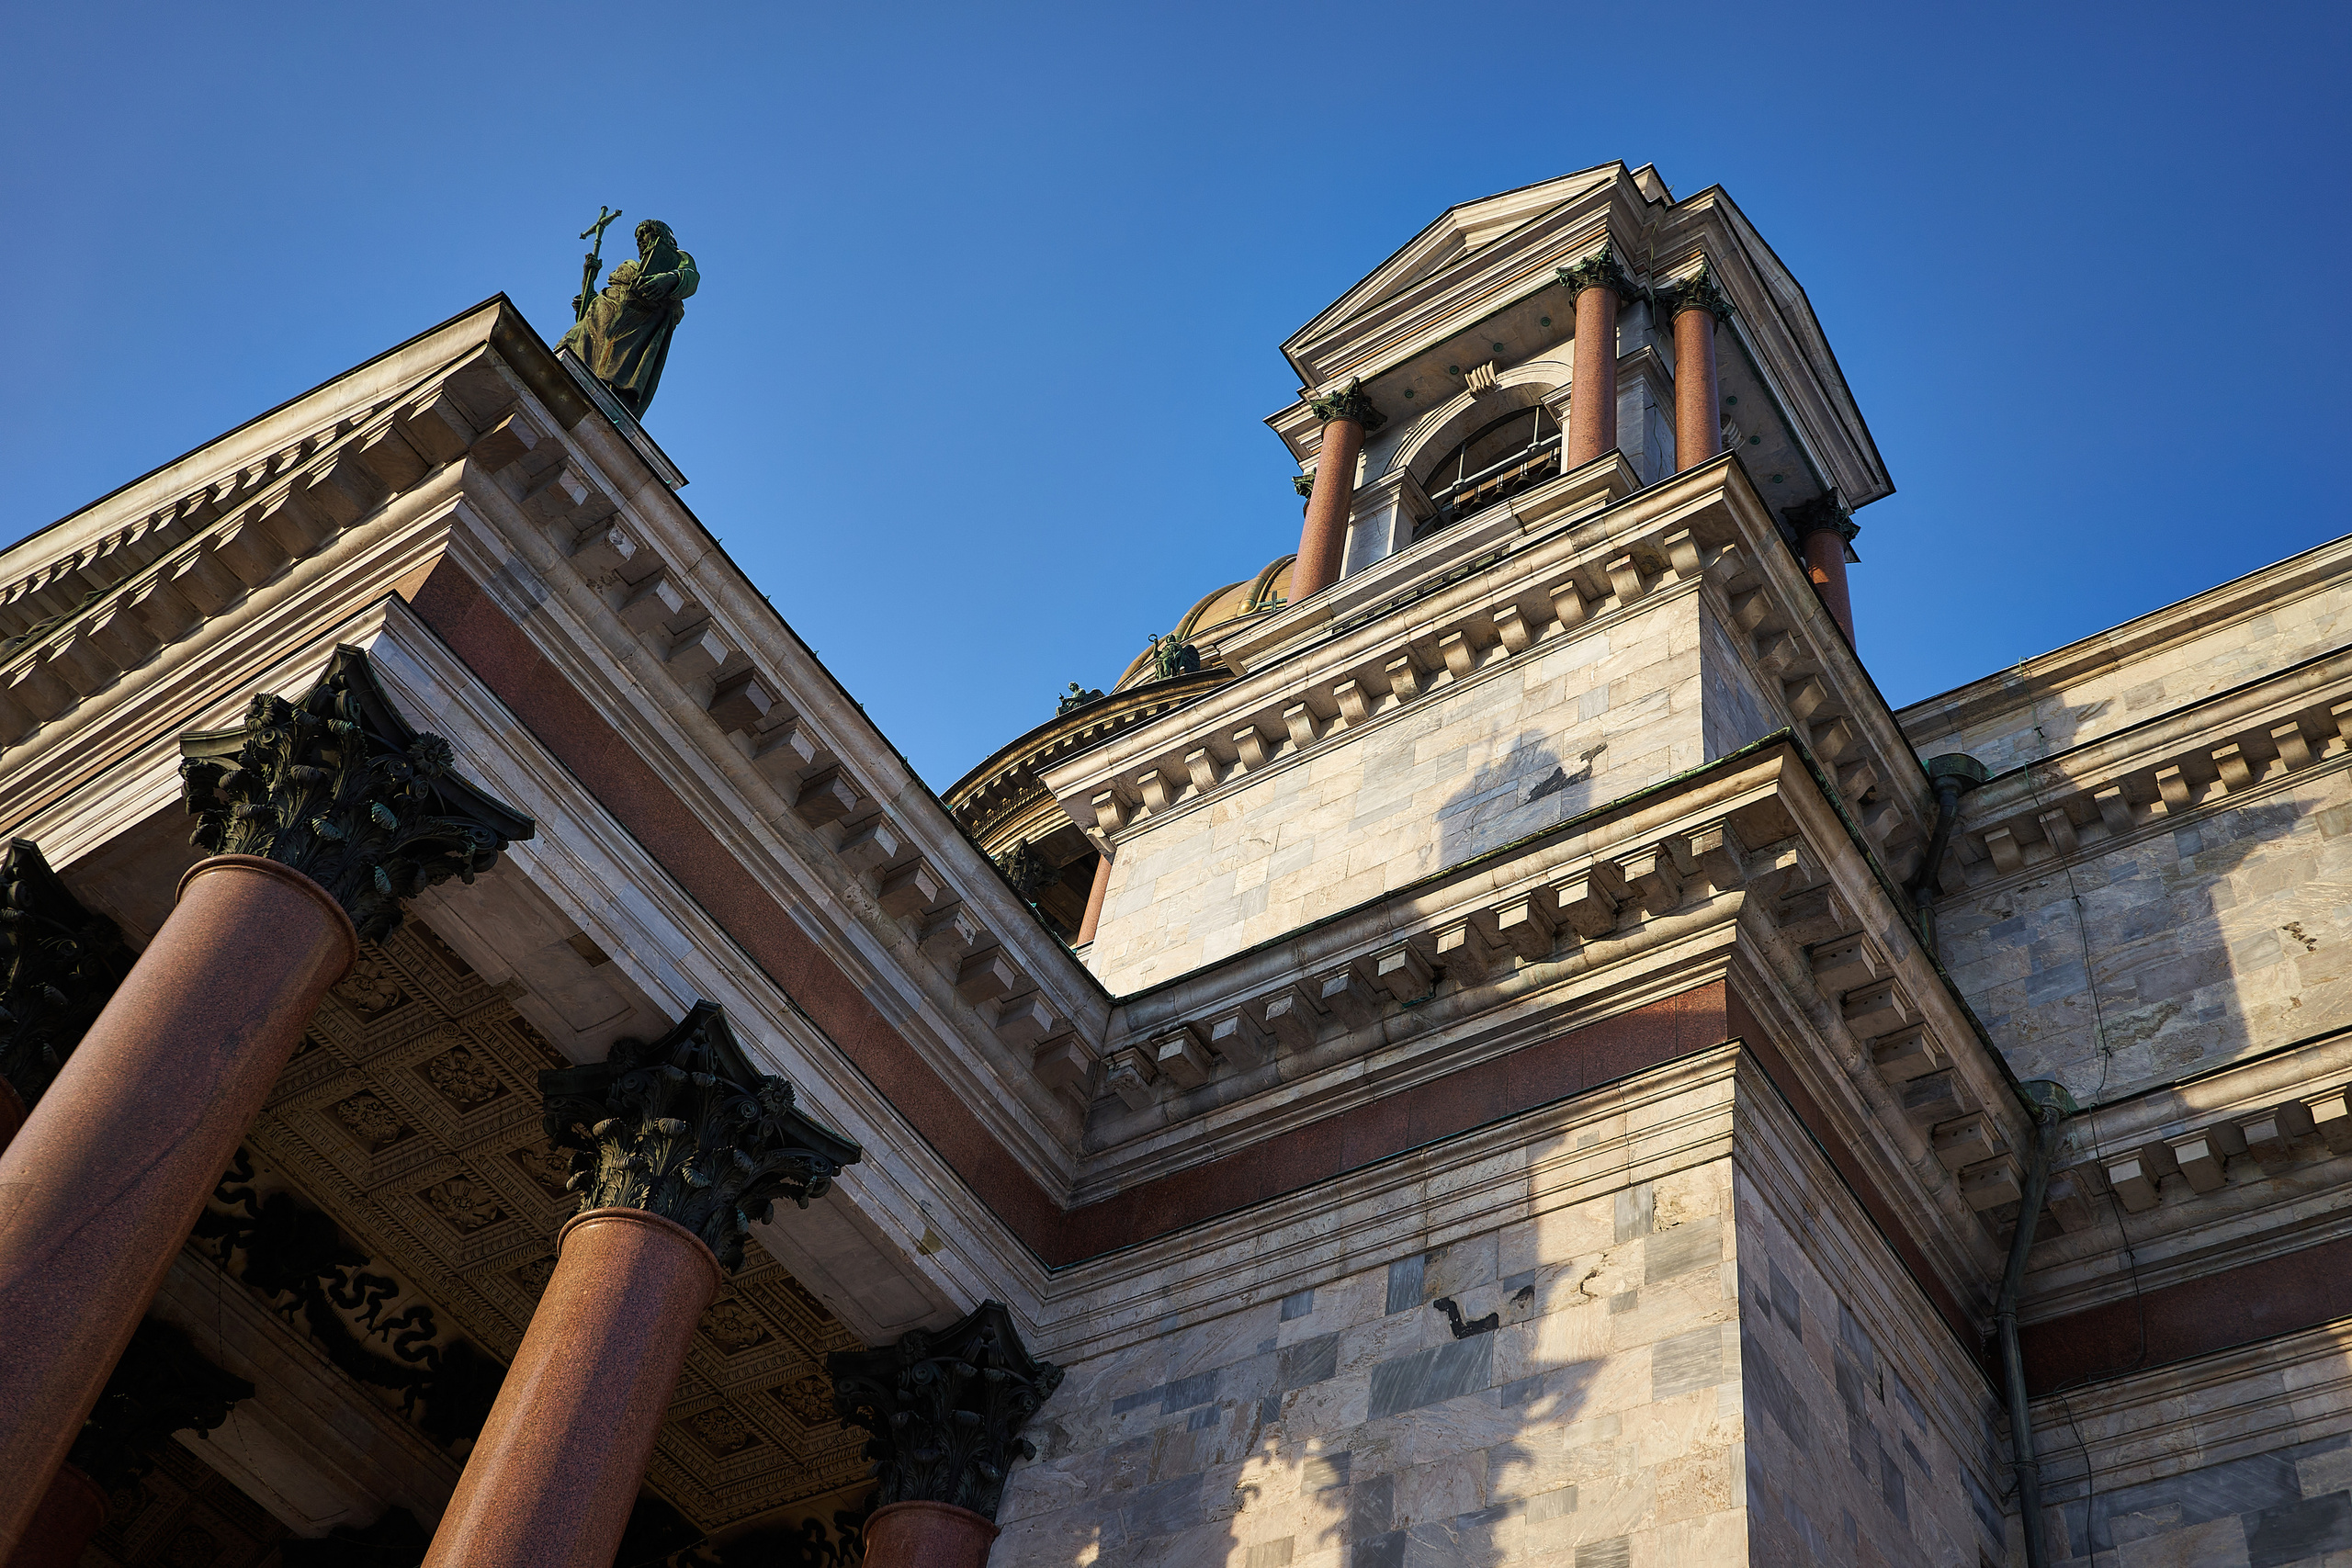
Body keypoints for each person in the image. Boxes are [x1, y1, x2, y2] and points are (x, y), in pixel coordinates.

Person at [559, 220, 698, 416]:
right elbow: (590, 305)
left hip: (631, 328)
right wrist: (588, 277)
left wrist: (668, 278)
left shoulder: (676, 258)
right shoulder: (629, 266)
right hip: (594, 325)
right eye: (638, 237)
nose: (640, 240)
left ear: (661, 235)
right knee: (566, 362)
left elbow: (690, 277)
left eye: (645, 234)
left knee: (611, 381)